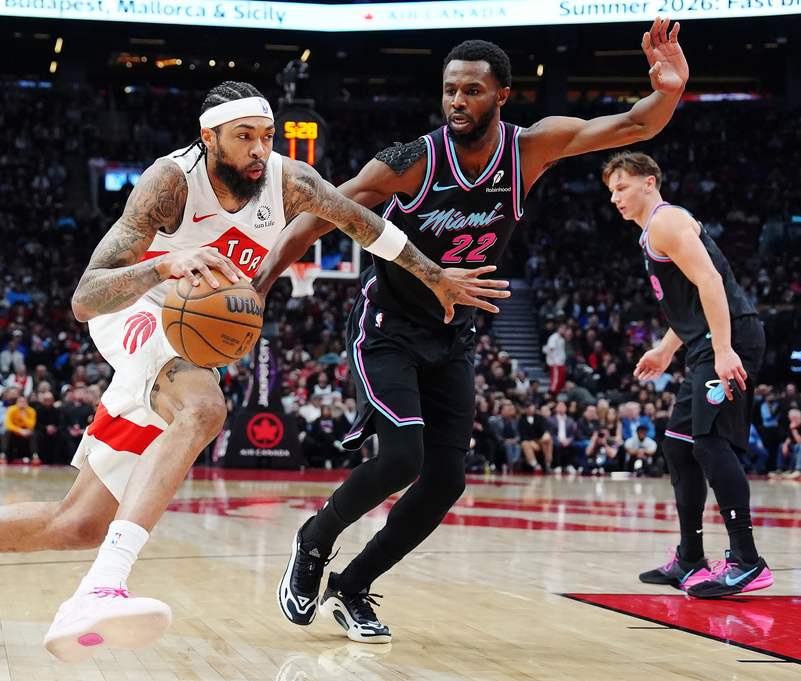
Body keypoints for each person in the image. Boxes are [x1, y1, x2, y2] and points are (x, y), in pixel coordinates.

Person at [0, 81, 504, 661]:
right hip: (135, 309)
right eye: (245, 135)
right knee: (204, 408)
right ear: (209, 136)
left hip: (188, 331)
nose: (259, 148)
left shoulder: (287, 179)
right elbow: (84, 295)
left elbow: (364, 224)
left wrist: (434, 274)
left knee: (76, 523)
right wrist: (162, 264)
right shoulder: (169, 182)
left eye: (266, 135)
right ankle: (101, 589)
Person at [251, 19, 689, 641]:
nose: (458, 100)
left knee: (446, 480)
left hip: (454, 334)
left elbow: (632, 127)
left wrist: (668, 90)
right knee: (403, 455)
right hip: (389, 326)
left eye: (472, 91)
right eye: (450, 90)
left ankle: (353, 588)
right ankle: (314, 539)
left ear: (501, 96)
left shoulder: (530, 148)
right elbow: (326, 210)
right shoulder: (411, 161)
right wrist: (262, 282)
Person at [603, 150, 772, 598]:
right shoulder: (651, 234)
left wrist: (722, 349)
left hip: (729, 339)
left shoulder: (666, 221)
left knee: (711, 443)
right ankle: (690, 559)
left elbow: (712, 282)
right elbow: (690, 304)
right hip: (704, 345)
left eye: (621, 187)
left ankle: (747, 561)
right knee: (678, 446)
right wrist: (663, 349)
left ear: (649, 182)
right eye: (611, 191)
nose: (615, 198)